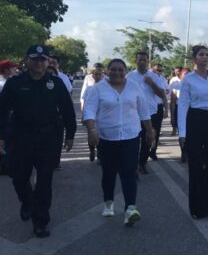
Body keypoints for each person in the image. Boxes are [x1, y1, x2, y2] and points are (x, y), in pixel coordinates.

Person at [0, 45, 76, 238]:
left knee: (44, 182)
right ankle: (27, 201)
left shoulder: (56, 83)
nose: (39, 63)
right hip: (21, 137)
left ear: (48, 62)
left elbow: (67, 109)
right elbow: (1, 111)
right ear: (27, 60)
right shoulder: (14, 84)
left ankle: (40, 221)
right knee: (18, 177)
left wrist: (70, 134)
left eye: (43, 59)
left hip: (48, 138)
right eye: (35, 59)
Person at [83, 59, 154, 226]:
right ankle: (108, 202)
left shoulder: (134, 87)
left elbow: (143, 111)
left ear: (125, 71)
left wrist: (150, 131)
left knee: (129, 171)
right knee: (109, 172)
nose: (117, 73)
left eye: (120, 70)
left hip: (130, 136)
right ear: (108, 71)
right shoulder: (97, 89)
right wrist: (92, 130)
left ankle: (130, 209)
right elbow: (89, 111)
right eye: (113, 69)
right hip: (107, 138)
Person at [178, 45, 208, 219]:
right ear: (194, 59)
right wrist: (182, 133)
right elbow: (183, 105)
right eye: (201, 54)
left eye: (207, 54)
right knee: (196, 166)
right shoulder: (188, 79)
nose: (205, 57)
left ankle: (204, 202)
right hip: (194, 120)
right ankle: (197, 209)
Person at [126, 51, 166, 174]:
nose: (142, 62)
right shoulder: (129, 76)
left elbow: (162, 94)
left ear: (148, 62)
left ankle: (142, 163)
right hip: (133, 113)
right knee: (132, 140)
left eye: (144, 60)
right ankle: (131, 163)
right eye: (140, 60)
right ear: (135, 61)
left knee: (148, 139)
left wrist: (152, 83)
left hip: (150, 113)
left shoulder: (154, 76)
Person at [80, 65, 105, 162]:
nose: (98, 76)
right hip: (91, 115)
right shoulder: (89, 88)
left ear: (102, 75)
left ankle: (100, 155)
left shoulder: (105, 88)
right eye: (96, 74)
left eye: (100, 74)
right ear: (93, 76)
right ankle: (91, 150)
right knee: (91, 133)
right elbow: (85, 101)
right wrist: (84, 115)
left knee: (100, 135)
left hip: (101, 115)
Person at [170, 67, 189, 162]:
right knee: (182, 132)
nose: (187, 76)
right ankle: (183, 151)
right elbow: (173, 102)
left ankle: (190, 152)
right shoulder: (176, 85)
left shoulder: (193, 85)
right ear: (181, 76)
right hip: (179, 110)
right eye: (185, 74)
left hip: (192, 111)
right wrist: (172, 116)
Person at [150, 63, 169, 158]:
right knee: (146, 130)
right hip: (148, 107)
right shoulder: (148, 77)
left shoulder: (163, 79)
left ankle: (153, 151)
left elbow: (166, 92)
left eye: (160, 70)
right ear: (152, 70)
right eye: (156, 70)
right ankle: (144, 151)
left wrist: (166, 109)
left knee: (156, 130)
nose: (158, 72)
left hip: (159, 106)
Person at [169, 67, 184, 136]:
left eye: (178, 71)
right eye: (175, 71)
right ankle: (174, 128)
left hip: (184, 102)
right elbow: (169, 90)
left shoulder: (185, 79)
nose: (176, 72)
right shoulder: (173, 80)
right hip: (176, 101)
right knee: (175, 116)